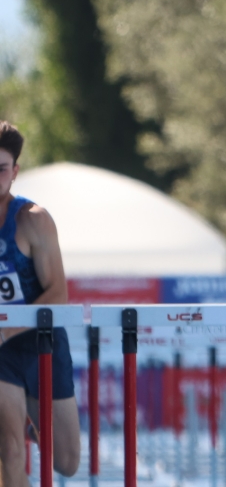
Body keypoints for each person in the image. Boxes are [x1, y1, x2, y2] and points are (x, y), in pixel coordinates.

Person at [0, 121, 80, 485]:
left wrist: (7, 329)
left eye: (0, 169)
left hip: (41, 345)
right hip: (1, 354)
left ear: (14, 172)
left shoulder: (32, 220)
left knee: (67, 461)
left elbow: (58, 295)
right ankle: (12, 428)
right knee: (11, 451)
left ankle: (27, 424)